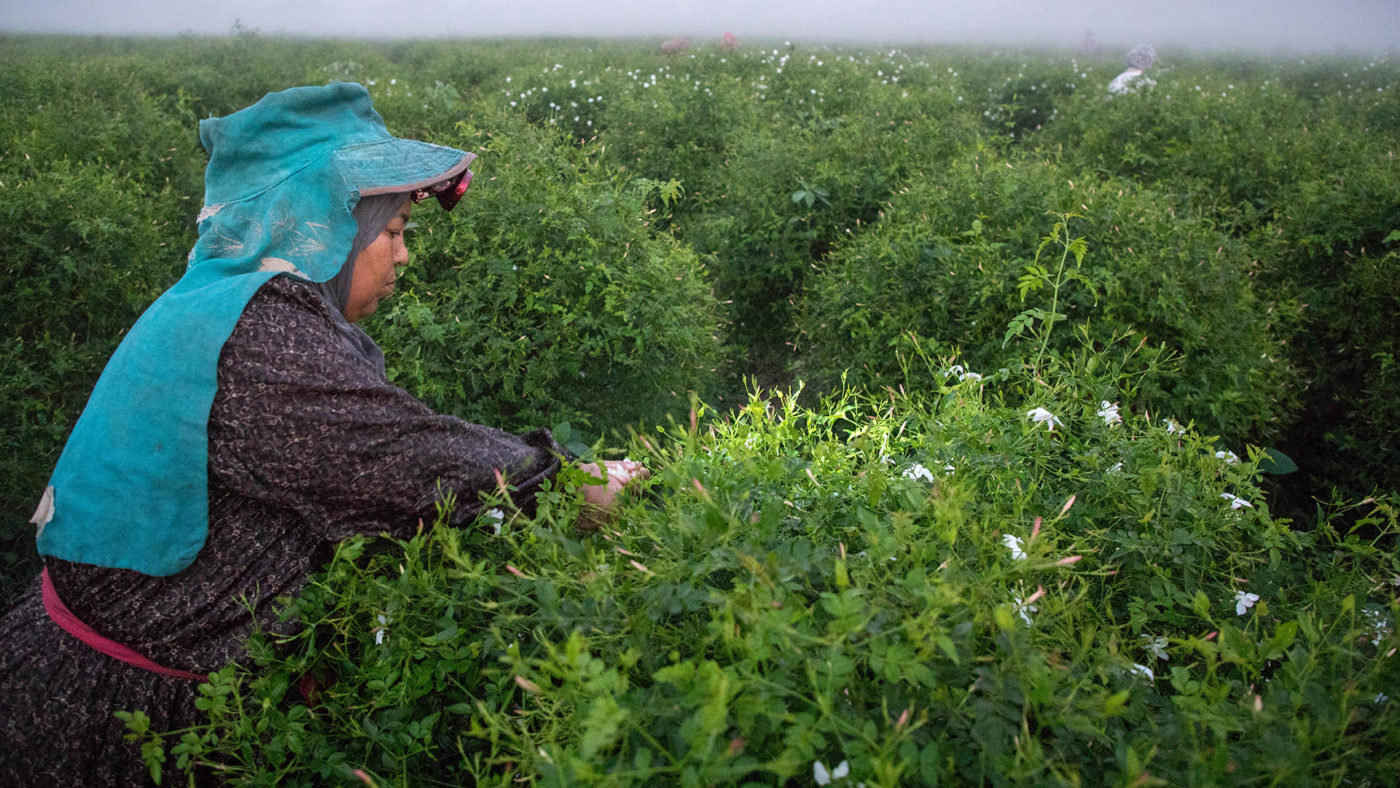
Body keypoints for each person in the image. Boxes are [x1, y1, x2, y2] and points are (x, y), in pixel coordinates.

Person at [0, 82, 645, 784]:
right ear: (325, 224)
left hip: (87, 668)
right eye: (393, 232)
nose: (402, 257)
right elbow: (406, 457)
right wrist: (570, 486)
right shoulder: (263, 333)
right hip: (112, 720)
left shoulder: (221, 297)